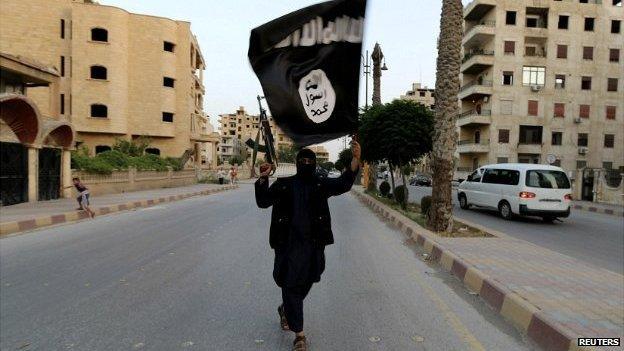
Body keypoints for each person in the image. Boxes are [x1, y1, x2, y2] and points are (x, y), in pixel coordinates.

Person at [255, 141, 361, 351]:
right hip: (287, 246)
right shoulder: (284, 184)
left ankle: (287, 308)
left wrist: (356, 159)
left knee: (310, 278)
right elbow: (263, 201)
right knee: (290, 284)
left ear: (313, 163)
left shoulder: (321, 184)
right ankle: (300, 335)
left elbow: (344, 183)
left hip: (313, 245)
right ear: (297, 163)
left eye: (309, 161)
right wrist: (264, 177)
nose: (306, 163)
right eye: (302, 160)